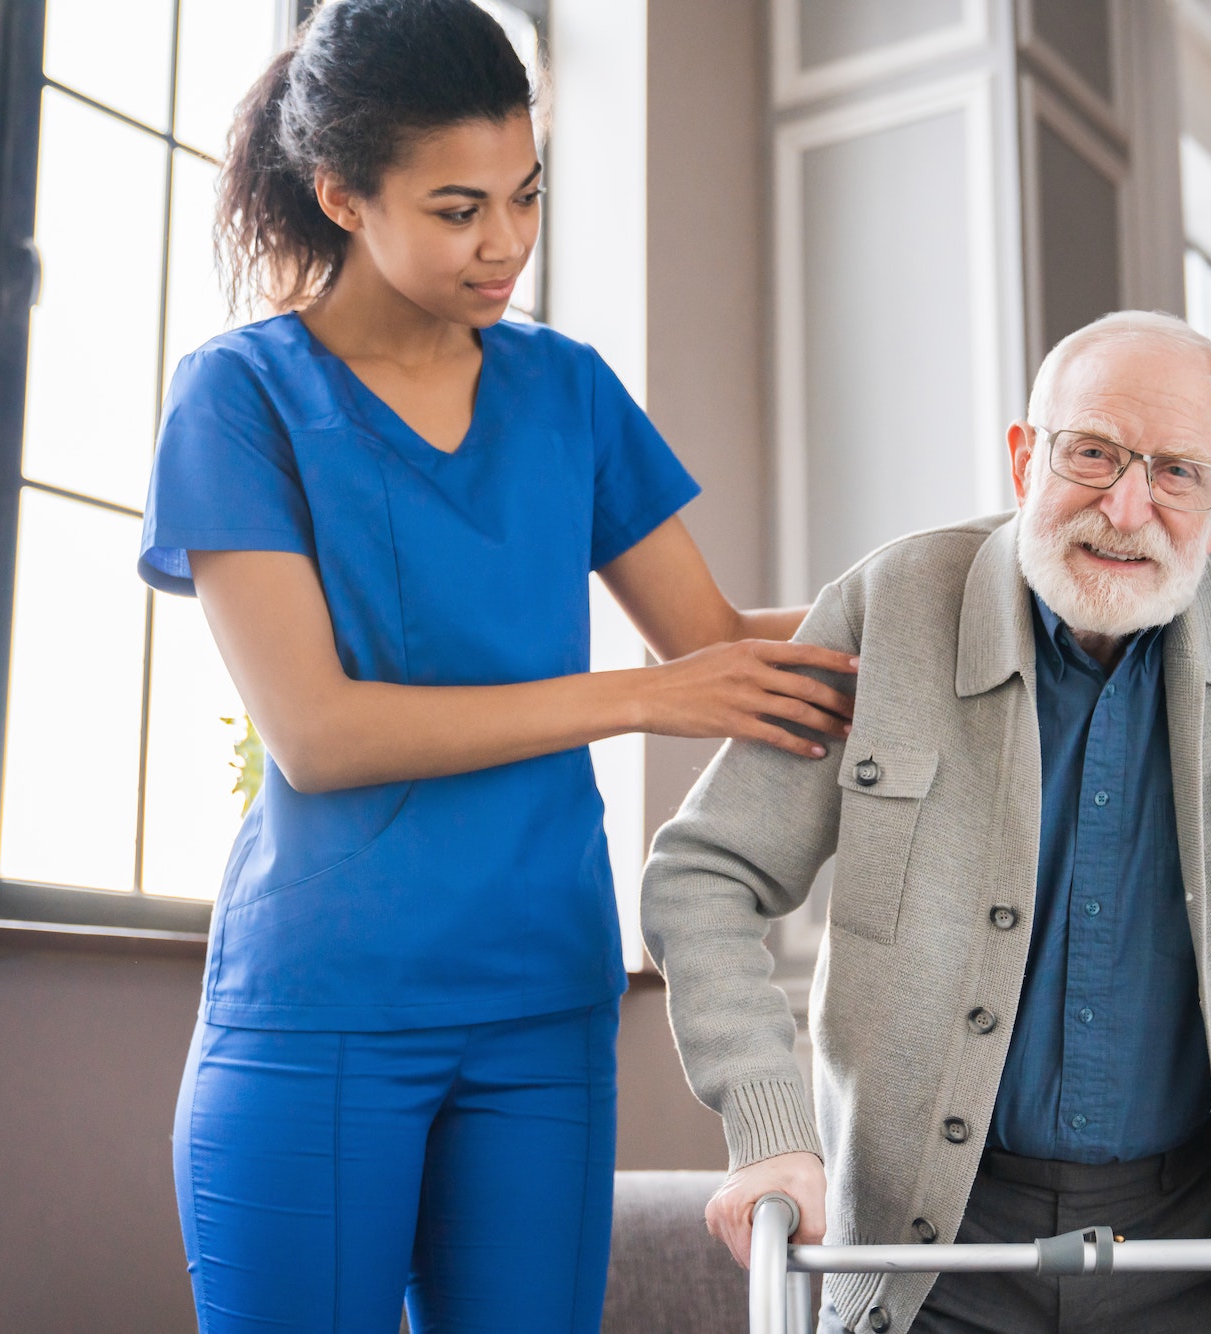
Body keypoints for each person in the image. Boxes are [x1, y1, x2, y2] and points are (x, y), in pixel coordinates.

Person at [141, 3, 856, 1330]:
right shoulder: (239, 397)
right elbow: (317, 731)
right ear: (343, 195)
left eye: (526, 195)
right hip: (325, 1005)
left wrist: (969, 607)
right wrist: (641, 699)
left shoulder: (567, 391)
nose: (509, 243)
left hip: (543, 999)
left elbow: (715, 646)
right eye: (460, 208)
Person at [641, 311, 1211, 1334]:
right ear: (1023, 458)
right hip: (924, 1253)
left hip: (1209, 1247)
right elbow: (703, 871)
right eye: (1090, 453)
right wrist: (767, 1123)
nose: (1125, 506)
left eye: (1178, 472)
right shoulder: (890, 601)